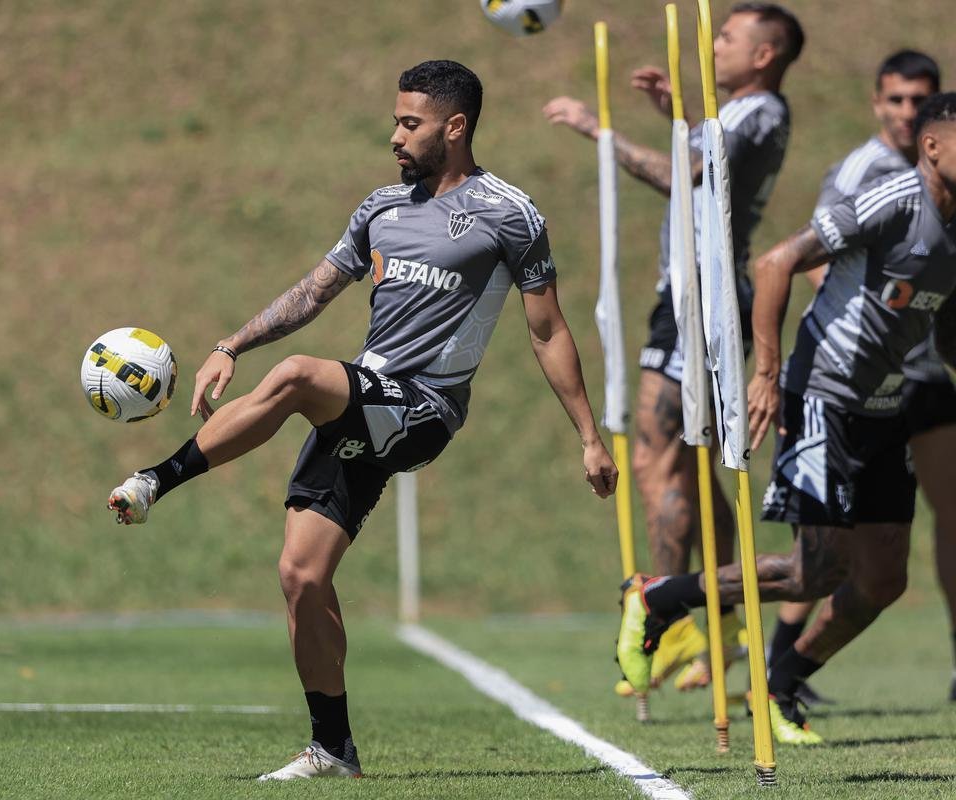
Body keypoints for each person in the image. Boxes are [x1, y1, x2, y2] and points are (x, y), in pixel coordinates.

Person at [106, 60, 619, 780]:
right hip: (365, 399)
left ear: (456, 126)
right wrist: (230, 344)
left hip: (425, 408)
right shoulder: (380, 206)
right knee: (301, 577)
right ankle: (332, 749)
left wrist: (589, 438)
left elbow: (546, 330)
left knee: (295, 377)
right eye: (396, 120)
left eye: (409, 122)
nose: (395, 135)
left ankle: (156, 480)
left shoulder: (511, 213)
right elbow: (314, 293)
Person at [615, 92, 956, 744]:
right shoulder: (895, 200)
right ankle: (657, 597)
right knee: (815, 571)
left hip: (887, 408)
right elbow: (776, 262)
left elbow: (945, 324)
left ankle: (781, 684)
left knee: (883, 580)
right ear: (932, 147)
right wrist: (767, 374)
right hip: (823, 394)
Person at [543, 2, 804, 691]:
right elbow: (706, 162)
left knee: (662, 458)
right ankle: (718, 618)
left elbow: (686, 176)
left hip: (703, 301)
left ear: (766, 55)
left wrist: (601, 133)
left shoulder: (762, 113)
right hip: (695, 296)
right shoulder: (746, 115)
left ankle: (669, 618)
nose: (715, 45)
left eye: (728, 37)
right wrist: (677, 115)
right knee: (690, 465)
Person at [767, 50, 956, 706]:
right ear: (879, 102)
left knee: (924, 532)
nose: (906, 112)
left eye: (918, 99)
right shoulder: (868, 175)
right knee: (821, 557)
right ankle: (775, 658)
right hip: (845, 373)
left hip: (918, 373)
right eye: (896, 100)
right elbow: (816, 262)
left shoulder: (949, 196)